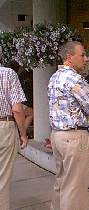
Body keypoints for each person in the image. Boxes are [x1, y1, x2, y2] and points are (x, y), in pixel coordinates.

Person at [48, 41, 89, 210]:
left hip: (57, 135)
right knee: (74, 188)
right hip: (74, 137)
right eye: (82, 55)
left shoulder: (55, 77)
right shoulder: (75, 79)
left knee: (61, 182)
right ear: (69, 57)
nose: (85, 59)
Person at [0, 48, 28, 210]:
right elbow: (17, 108)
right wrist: (23, 133)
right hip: (4, 126)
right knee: (2, 180)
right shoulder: (8, 73)